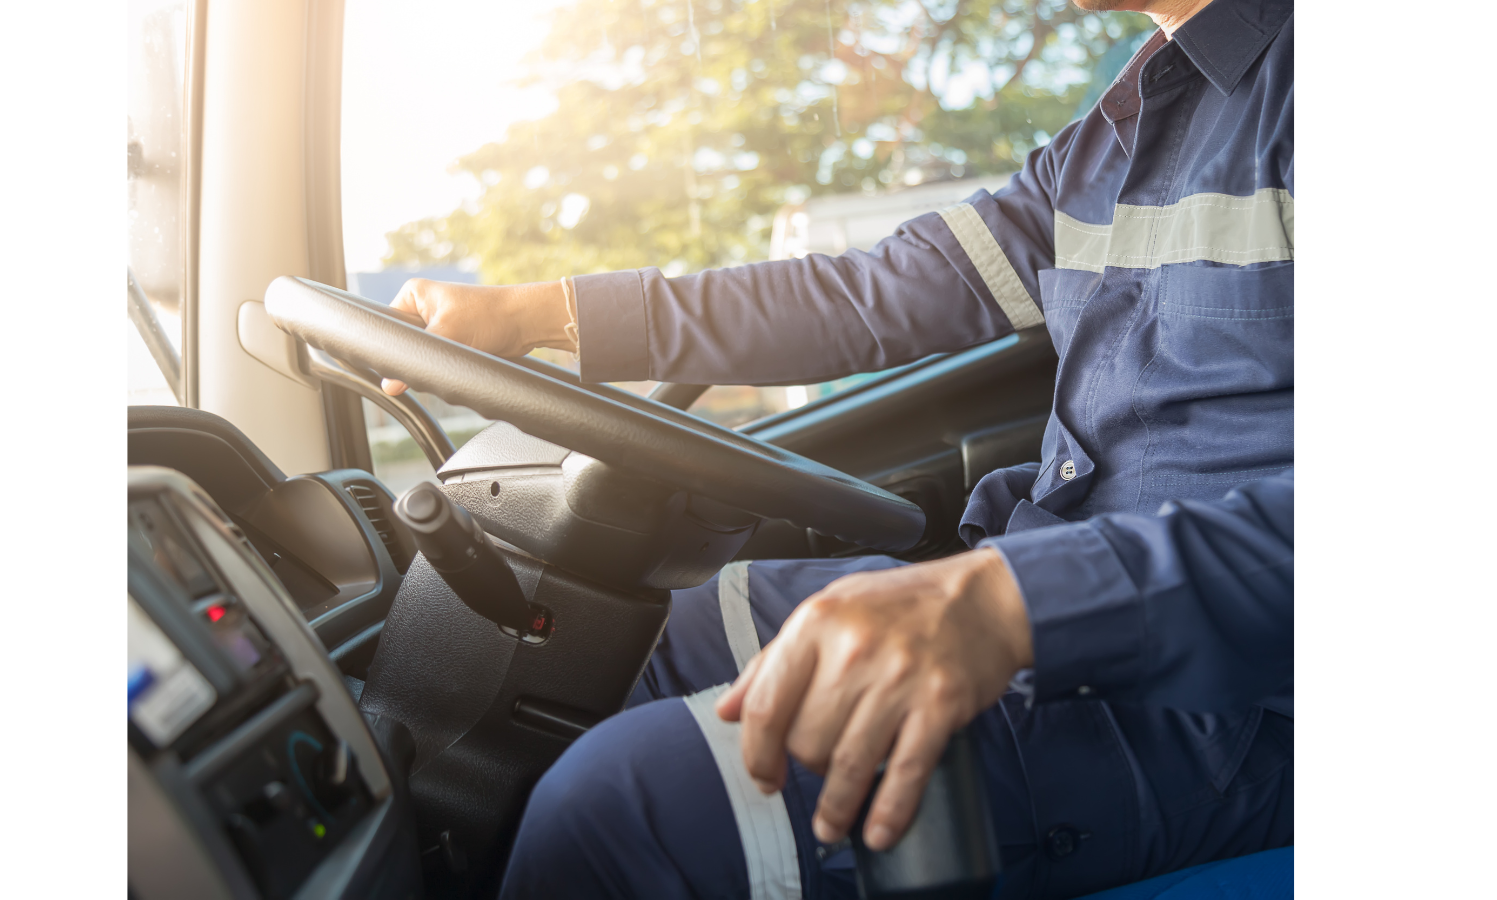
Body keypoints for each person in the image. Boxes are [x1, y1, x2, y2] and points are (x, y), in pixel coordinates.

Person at [381, 0, 1293, 895]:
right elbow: (871, 293)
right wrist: (547, 313)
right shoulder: (1109, 140)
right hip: (1043, 583)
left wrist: (1014, 602)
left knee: (623, 803)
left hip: (1229, 692)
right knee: (629, 635)